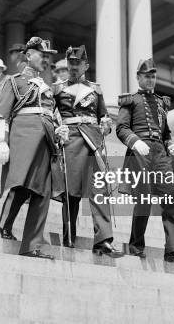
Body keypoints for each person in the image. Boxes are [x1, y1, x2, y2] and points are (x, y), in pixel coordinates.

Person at [0, 36, 63, 259]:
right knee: (21, 184)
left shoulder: (47, 87)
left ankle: (31, 245)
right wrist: (1, 141)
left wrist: (60, 131)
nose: (45, 60)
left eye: (47, 57)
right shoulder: (14, 81)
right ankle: (4, 224)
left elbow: (52, 114)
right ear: (29, 55)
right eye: (42, 55)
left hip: (46, 142)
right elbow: (2, 114)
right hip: (23, 138)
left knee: (42, 193)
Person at [52, 45, 122, 258]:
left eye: (77, 63)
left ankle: (104, 240)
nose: (73, 67)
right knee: (71, 191)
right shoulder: (57, 88)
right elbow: (50, 113)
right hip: (71, 140)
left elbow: (104, 117)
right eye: (70, 63)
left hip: (93, 141)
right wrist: (57, 129)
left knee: (99, 192)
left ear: (86, 65)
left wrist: (106, 126)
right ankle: (69, 233)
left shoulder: (96, 89)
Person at [116, 58, 174, 263]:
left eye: (153, 77)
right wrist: (135, 142)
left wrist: (170, 144)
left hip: (160, 154)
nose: (151, 80)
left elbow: (165, 132)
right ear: (138, 77)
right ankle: (136, 244)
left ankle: (172, 249)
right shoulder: (131, 100)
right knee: (143, 199)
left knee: (171, 198)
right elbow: (121, 128)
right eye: (147, 76)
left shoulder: (162, 103)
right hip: (140, 152)